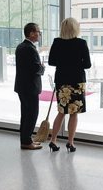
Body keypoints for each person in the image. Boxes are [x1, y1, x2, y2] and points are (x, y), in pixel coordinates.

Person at [48, 17, 91, 152]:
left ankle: (53, 140)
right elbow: (87, 65)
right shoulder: (81, 43)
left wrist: (64, 62)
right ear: (75, 28)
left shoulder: (57, 42)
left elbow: (51, 62)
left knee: (61, 112)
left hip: (62, 81)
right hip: (77, 82)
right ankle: (70, 143)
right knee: (74, 113)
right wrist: (75, 63)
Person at [14, 23, 45, 150]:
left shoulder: (21, 46)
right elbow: (35, 68)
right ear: (31, 33)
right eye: (38, 31)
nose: (39, 34)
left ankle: (26, 140)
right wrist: (42, 68)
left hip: (23, 86)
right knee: (31, 114)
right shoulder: (29, 49)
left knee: (25, 114)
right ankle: (26, 142)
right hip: (30, 87)